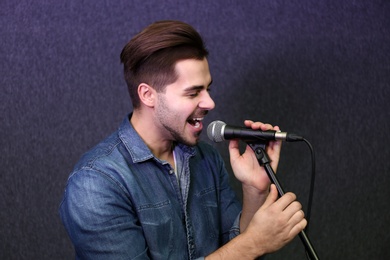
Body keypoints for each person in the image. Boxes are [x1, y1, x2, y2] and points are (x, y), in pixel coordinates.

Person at [59, 20, 306, 259]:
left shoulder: (206, 158)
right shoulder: (95, 184)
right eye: (193, 92)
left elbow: (234, 248)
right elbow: (245, 248)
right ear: (148, 95)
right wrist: (253, 243)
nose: (210, 103)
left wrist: (254, 190)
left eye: (208, 88)